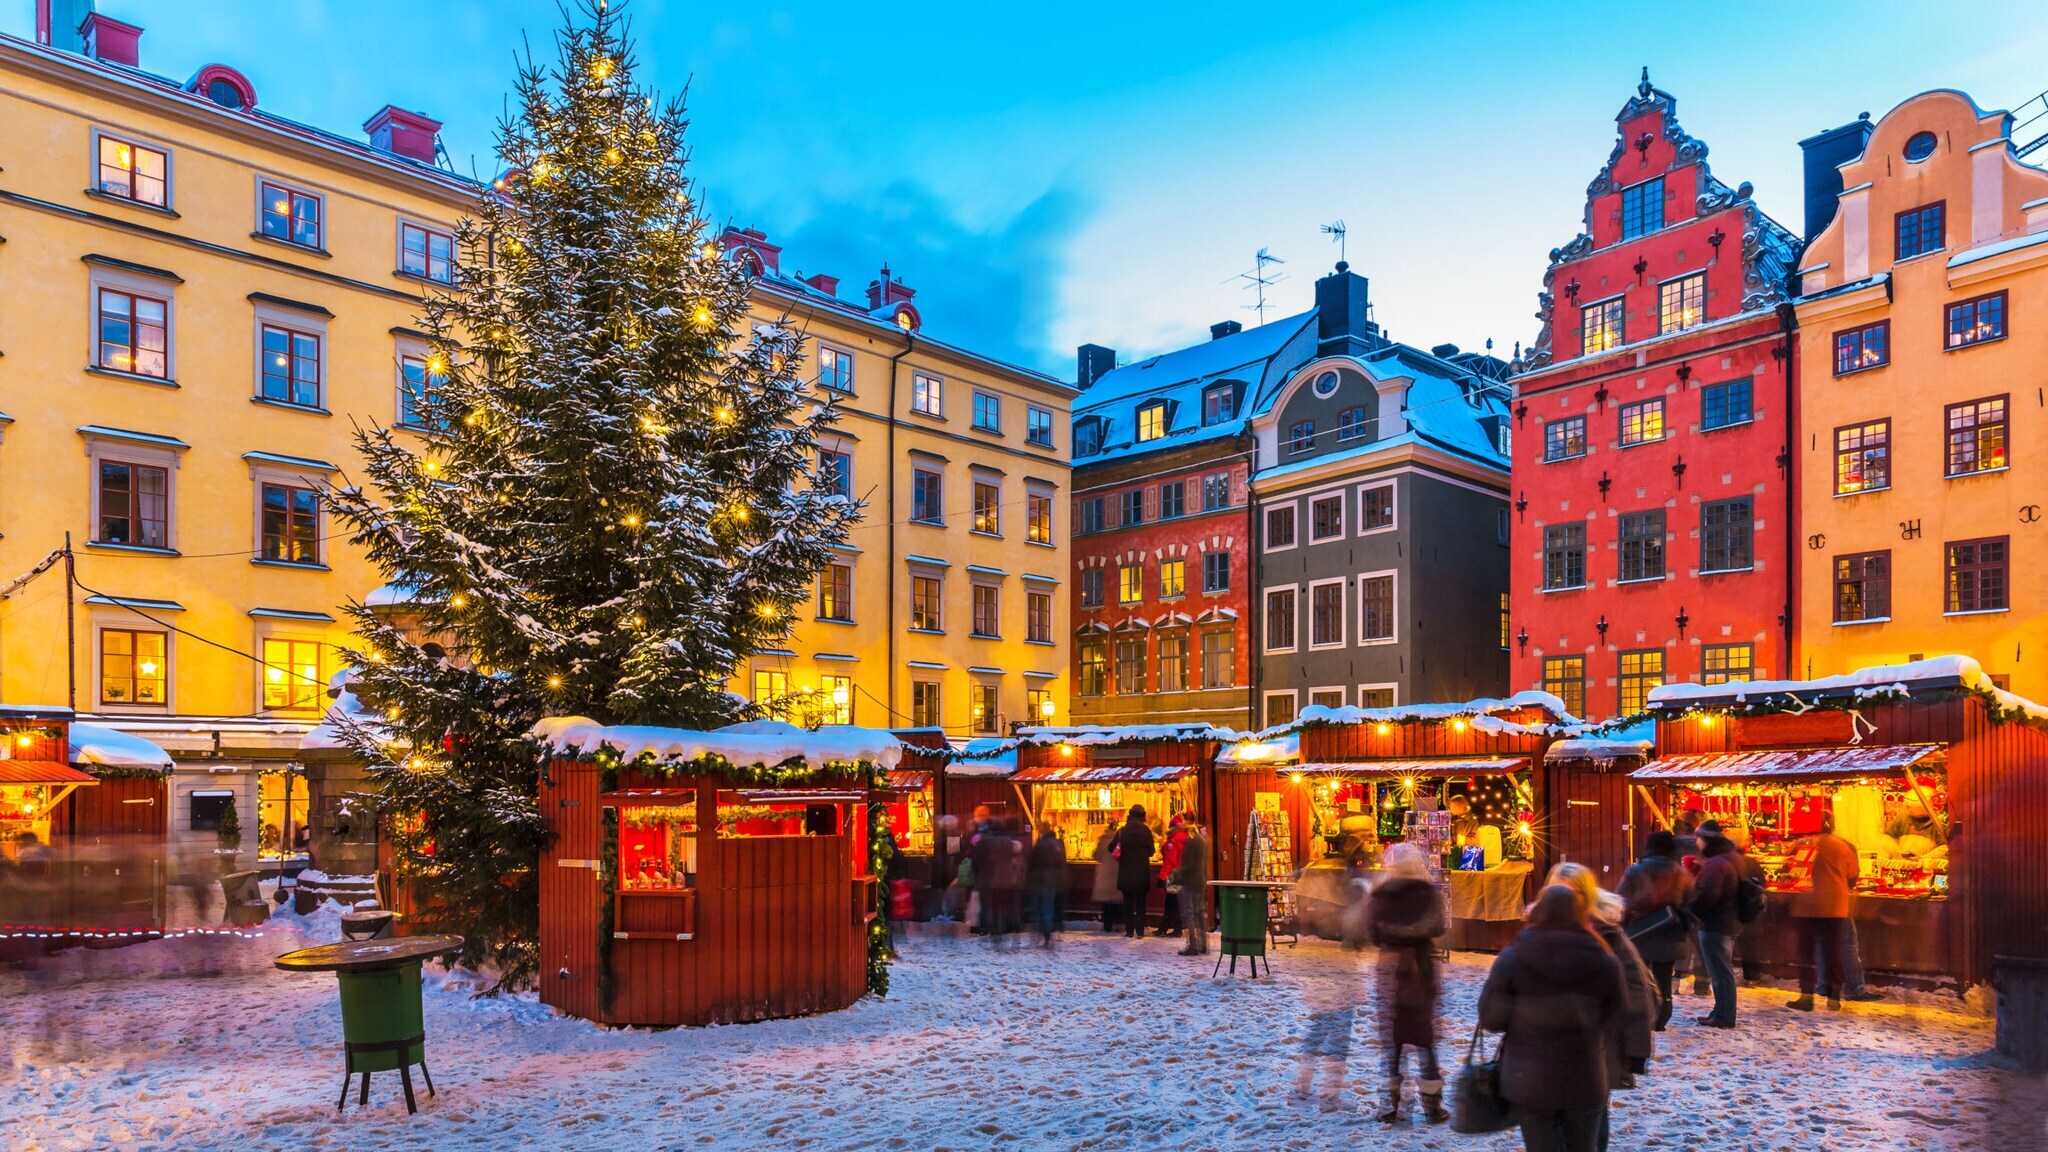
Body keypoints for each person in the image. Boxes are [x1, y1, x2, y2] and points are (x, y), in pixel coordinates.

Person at [1479, 884, 1625, 1152]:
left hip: (1529, 1079)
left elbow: (1491, 1018)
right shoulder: (1603, 958)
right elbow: (1616, 1013)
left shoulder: (1513, 956)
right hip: (1586, 1074)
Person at [1550, 862, 1656, 1152]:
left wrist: (1635, 1052)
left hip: (1597, 1048)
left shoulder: (1609, 936)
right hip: (1552, 1049)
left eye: (1571, 893)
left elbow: (1637, 996)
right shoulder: (1541, 934)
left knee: (1592, 1117)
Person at [1366, 843, 1449, 1124]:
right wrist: (1416, 933)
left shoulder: (1381, 895)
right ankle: (1433, 1107)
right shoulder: (1428, 894)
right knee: (1426, 1042)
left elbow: (1373, 933)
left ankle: (1391, 1106)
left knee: (1393, 1041)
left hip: (1392, 970)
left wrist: (1393, 934)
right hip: (1422, 969)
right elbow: (1437, 927)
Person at [1618, 830, 1693, 1030]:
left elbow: (1621, 903)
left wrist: (1621, 929)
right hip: (1670, 933)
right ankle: (1662, 1017)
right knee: (1664, 979)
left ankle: (1643, 1015)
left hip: (1640, 932)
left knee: (1640, 978)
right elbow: (1691, 903)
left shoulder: (1636, 871)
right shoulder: (1682, 874)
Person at [1789, 812, 1858, 1011]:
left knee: (1806, 952)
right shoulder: (1843, 846)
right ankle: (1834, 996)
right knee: (1832, 950)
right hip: (1835, 906)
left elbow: (1790, 872)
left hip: (1805, 905)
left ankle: (1806, 996)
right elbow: (1852, 875)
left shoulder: (1802, 844)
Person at [1687, 823, 1743, 1028]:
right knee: (1722, 971)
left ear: (1708, 840)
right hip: (1729, 922)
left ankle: (1724, 1015)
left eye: (1699, 838)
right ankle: (1720, 1011)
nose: (1696, 842)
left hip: (1716, 924)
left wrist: (1690, 908)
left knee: (1720, 973)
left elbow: (1707, 895)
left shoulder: (1717, 863)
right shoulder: (1731, 857)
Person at [1169, 818, 1212, 956]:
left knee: (1189, 914)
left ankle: (1193, 945)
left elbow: (1189, 864)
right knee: (1199, 913)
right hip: (1200, 880)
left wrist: (1176, 873)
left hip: (1190, 880)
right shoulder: (1203, 840)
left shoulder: (1192, 841)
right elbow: (1202, 863)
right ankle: (1203, 944)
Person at [1114, 805, 1156, 940]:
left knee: (1128, 903)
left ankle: (1129, 930)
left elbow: (1111, 848)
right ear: (1142, 816)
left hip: (1126, 872)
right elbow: (1151, 852)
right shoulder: (1146, 831)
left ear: (1130, 815)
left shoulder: (1122, 831)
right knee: (1141, 903)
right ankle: (1140, 931)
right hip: (1141, 872)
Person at [1025, 822, 1067, 948]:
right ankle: (1048, 934)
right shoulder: (1057, 844)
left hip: (1039, 879)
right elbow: (1061, 862)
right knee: (1048, 906)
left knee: (1039, 907)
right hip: (1053, 880)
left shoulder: (1039, 844)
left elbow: (1031, 861)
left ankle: (1042, 933)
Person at [1158, 815, 1189, 938]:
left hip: (1173, 875)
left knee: (1172, 903)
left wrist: (1163, 876)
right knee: (1173, 902)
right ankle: (1165, 928)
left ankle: (1175, 929)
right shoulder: (1186, 838)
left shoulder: (1173, 841)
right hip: (1182, 874)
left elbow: (1170, 861)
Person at [1092, 825, 1123, 933]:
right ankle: (1115, 923)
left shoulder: (1102, 840)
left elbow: (1096, 856)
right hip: (1117, 872)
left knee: (1106, 904)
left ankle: (1107, 925)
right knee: (1116, 902)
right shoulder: (1120, 840)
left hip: (1104, 874)